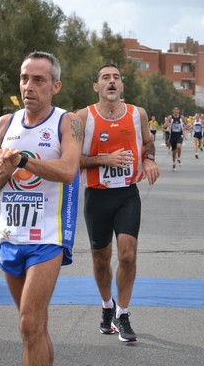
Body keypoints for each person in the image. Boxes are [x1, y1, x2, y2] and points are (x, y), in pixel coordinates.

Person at [0, 51, 82, 366]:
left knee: (29, 322)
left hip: (47, 236)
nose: (29, 86)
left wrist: (23, 161)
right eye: (25, 78)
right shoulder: (4, 123)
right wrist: (7, 169)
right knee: (33, 327)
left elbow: (67, 170)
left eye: (38, 80)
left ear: (55, 86)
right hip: (10, 234)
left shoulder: (67, 121)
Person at [77, 64, 160, 342]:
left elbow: (148, 143)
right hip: (97, 195)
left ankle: (123, 314)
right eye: (105, 78)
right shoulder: (82, 117)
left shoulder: (138, 114)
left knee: (127, 254)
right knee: (101, 260)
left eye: (116, 78)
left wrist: (148, 160)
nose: (111, 82)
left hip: (127, 193)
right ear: (96, 86)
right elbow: (72, 159)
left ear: (122, 86)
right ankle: (106, 306)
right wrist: (104, 159)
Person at [166, 107, 186, 171]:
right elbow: (166, 124)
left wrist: (186, 128)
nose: (176, 111)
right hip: (173, 135)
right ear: (173, 111)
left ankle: (179, 158)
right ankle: (174, 163)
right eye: (175, 110)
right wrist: (167, 126)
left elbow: (186, 123)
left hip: (180, 134)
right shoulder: (170, 117)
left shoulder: (181, 117)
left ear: (179, 111)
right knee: (174, 151)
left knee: (179, 146)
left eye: (177, 110)